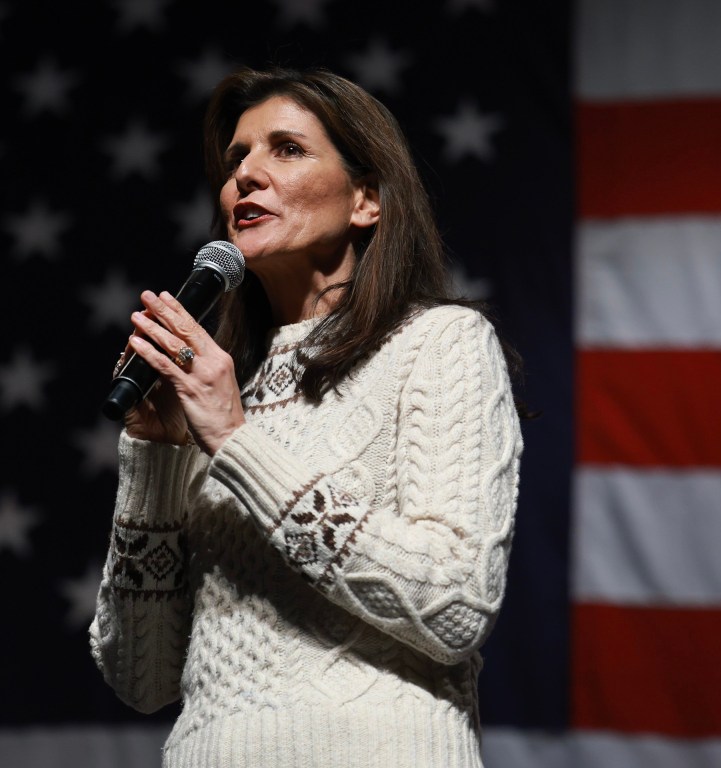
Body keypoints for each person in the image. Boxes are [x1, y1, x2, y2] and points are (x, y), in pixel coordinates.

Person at [89, 66, 524, 768]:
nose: (245, 177)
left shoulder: (438, 343)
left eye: (285, 149)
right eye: (236, 159)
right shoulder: (216, 390)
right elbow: (140, 678)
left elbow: (454, 608)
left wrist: (237, 440)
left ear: (366, 200)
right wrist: (155, 454)